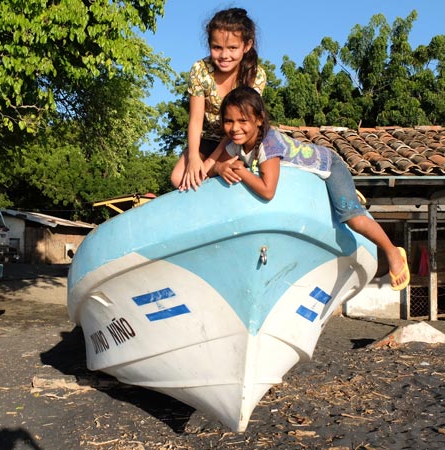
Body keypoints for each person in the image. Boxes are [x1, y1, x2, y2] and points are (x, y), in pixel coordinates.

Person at [210, 86, 410, 291]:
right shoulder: (237, 143)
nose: (235, 128)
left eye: (243, 121)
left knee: (353, 219)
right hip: (302, 181)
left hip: (330, 168)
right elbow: (210, 171)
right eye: (228, 121)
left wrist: (242, 172)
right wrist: (219, 166)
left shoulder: (268, 145)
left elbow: (267, 191)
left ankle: (393, 252)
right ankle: (339, 194)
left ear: (259, 119)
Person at [170, 7, 267, 191]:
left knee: (210, 175)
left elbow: (239, 126)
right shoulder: (200, 70)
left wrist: (211, 163)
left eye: (232, 48)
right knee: (179, 179)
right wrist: (193, 159)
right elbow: (196, 120)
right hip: (208, 137)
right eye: (217, 48)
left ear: (246, 46)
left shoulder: (256, 76)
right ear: (209, 45)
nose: (224, 55)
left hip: (236, 138)